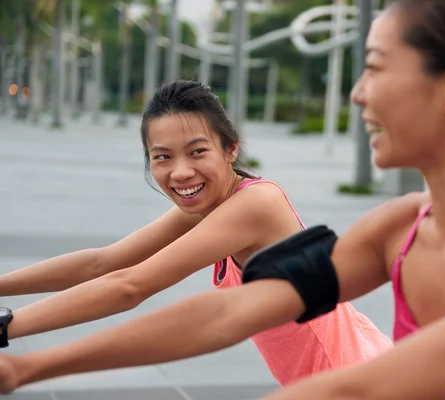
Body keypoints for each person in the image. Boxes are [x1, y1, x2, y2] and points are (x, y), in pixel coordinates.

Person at [1, 0, 445, 398]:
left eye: (374, 67)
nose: (359, 94)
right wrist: (22, 365)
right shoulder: (398, 227)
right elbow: (228, 312)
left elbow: (360, 388)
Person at [0, 80, 392, 387]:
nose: (181, 172)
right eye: (162, 157)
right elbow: (104, 262)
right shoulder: (210, 204)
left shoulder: (256, 204)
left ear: (231, 149)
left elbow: (129, 286)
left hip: (354, 379)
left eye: (197, 151)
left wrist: (6, 327)